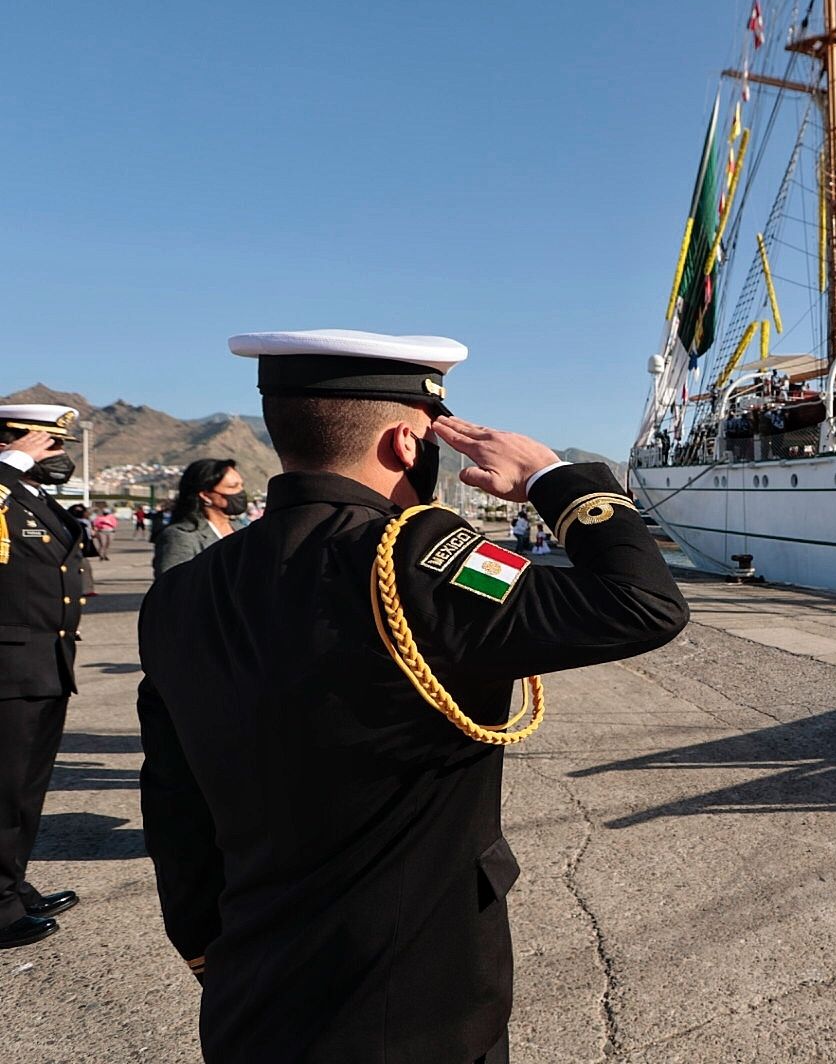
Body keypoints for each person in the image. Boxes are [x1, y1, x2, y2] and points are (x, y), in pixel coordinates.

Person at [137, 329, 687, 1063]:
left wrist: (209, 950)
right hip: (420, 1008)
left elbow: (173, 802)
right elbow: (643, 604)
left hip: (254, 993)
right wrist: (554, 477)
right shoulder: (424, 563)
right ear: (405, 443)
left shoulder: (179, 594)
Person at [0, 405, 86, 951]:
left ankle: (10, 887)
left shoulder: (30, 497)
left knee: (25, 788)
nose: (59, 455)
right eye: (48, 443)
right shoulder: (5, 490)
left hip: (46, 660)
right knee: (4, 787)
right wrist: (9, 463)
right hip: (9, 662)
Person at [151, 459, 245, 578]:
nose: (240, 492)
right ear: (205, 495)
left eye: (241, 485)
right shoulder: (180, 536)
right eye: (233, 487)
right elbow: (173, 586)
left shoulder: (242, 530)